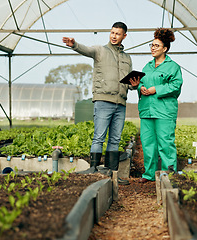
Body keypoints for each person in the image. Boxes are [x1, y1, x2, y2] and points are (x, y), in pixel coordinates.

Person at [62, 22, 135, 185]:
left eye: (117, 33)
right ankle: (93, 168)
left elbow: (129, 82)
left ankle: (112, 173)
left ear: (124, 36)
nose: (114, 36)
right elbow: (87, 50)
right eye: (112, 33)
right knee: (99, 137)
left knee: (115, 139)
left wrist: (134, 84)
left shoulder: (127, 58)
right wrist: (74, 45)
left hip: (121, 103)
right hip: (103, 100)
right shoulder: (100, 50)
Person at [130, 28, 183, 183]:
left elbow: (176, 86)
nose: (153, 48)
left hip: (164, 111)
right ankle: (149, 174)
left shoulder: (173, 67)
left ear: (165, 49)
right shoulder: (147, 67)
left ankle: (168, 173)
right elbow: (143, 85)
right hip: (147, 111)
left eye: (156, 46)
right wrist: (139, 87)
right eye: (151, 45)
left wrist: (156, 89)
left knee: (166, 143)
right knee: (148, 144)